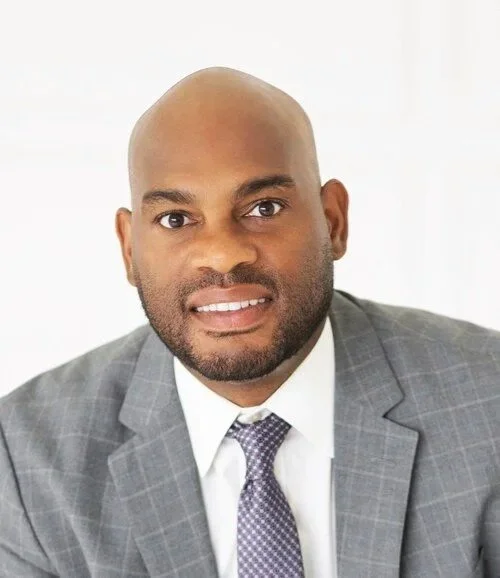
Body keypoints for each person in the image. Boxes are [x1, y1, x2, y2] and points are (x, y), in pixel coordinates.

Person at [0, 67, 498, 578]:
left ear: (333, 221)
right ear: (129, 249)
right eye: (176, 219)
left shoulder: (488, 405)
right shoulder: (28, 457)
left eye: (264, 208)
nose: (222, 254)